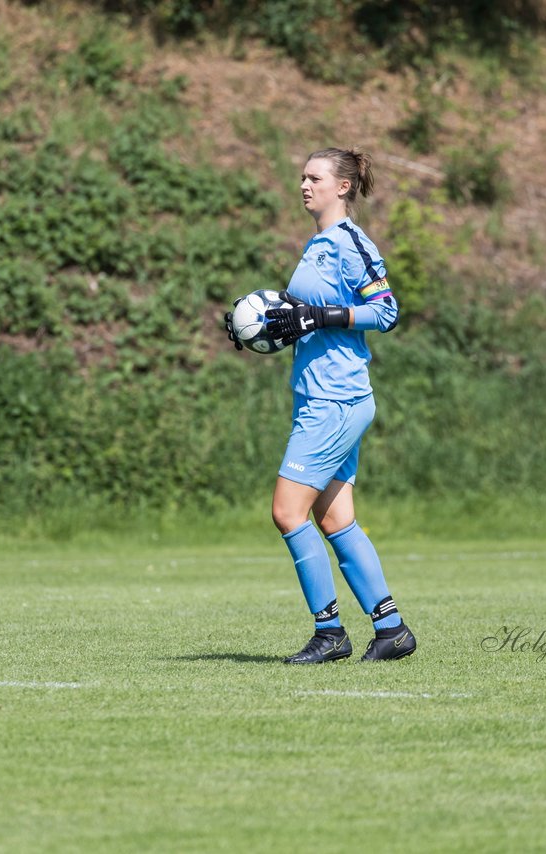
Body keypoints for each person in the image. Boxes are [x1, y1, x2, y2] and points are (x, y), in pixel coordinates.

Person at [224, 147, 415, 662]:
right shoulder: (318, 244)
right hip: (322, 396)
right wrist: (265, 323)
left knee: (287, 512)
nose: (304, 185)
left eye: (314, 178)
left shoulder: (350, 242)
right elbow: (306, 315)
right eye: (302, 177)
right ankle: (391, 630)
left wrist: (323, 317)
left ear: (343, 187)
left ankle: (329, 634)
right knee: (335, 521)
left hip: (337, 399)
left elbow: (387, 310)